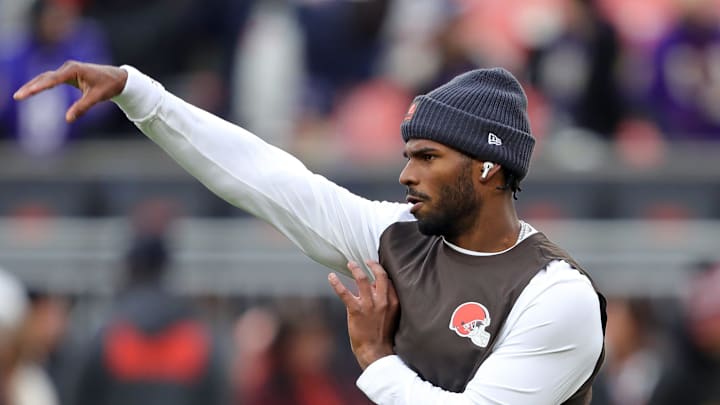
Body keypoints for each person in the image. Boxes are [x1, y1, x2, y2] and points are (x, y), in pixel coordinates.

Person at [14, 60, 606, 404]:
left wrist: (376, 360)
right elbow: (266, 177)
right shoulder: (397, 236)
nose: (406, 173)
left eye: (428, 157)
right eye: (408, 154)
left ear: (487, 167)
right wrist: (138, 92)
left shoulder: (558, 297)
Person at [71, 235, 227, 405]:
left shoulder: (111, 334)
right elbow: (217, 393)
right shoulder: (195, 336)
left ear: (129, 269)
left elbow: (83, 394)